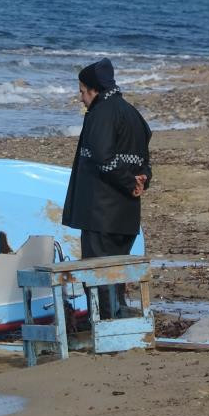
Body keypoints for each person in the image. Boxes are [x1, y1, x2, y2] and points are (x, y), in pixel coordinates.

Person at [61, 58, 151, 316]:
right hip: (126, 214)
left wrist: (130, 182)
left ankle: (107, 324)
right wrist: (141, 180)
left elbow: (104, 158)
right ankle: (118, 318)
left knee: (98, 274)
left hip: (101, 213)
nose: (81, 98)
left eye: (82, 91)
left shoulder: (101, 114)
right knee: (116, 273)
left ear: (95, 89)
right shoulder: (133, 114)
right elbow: (144, 161)